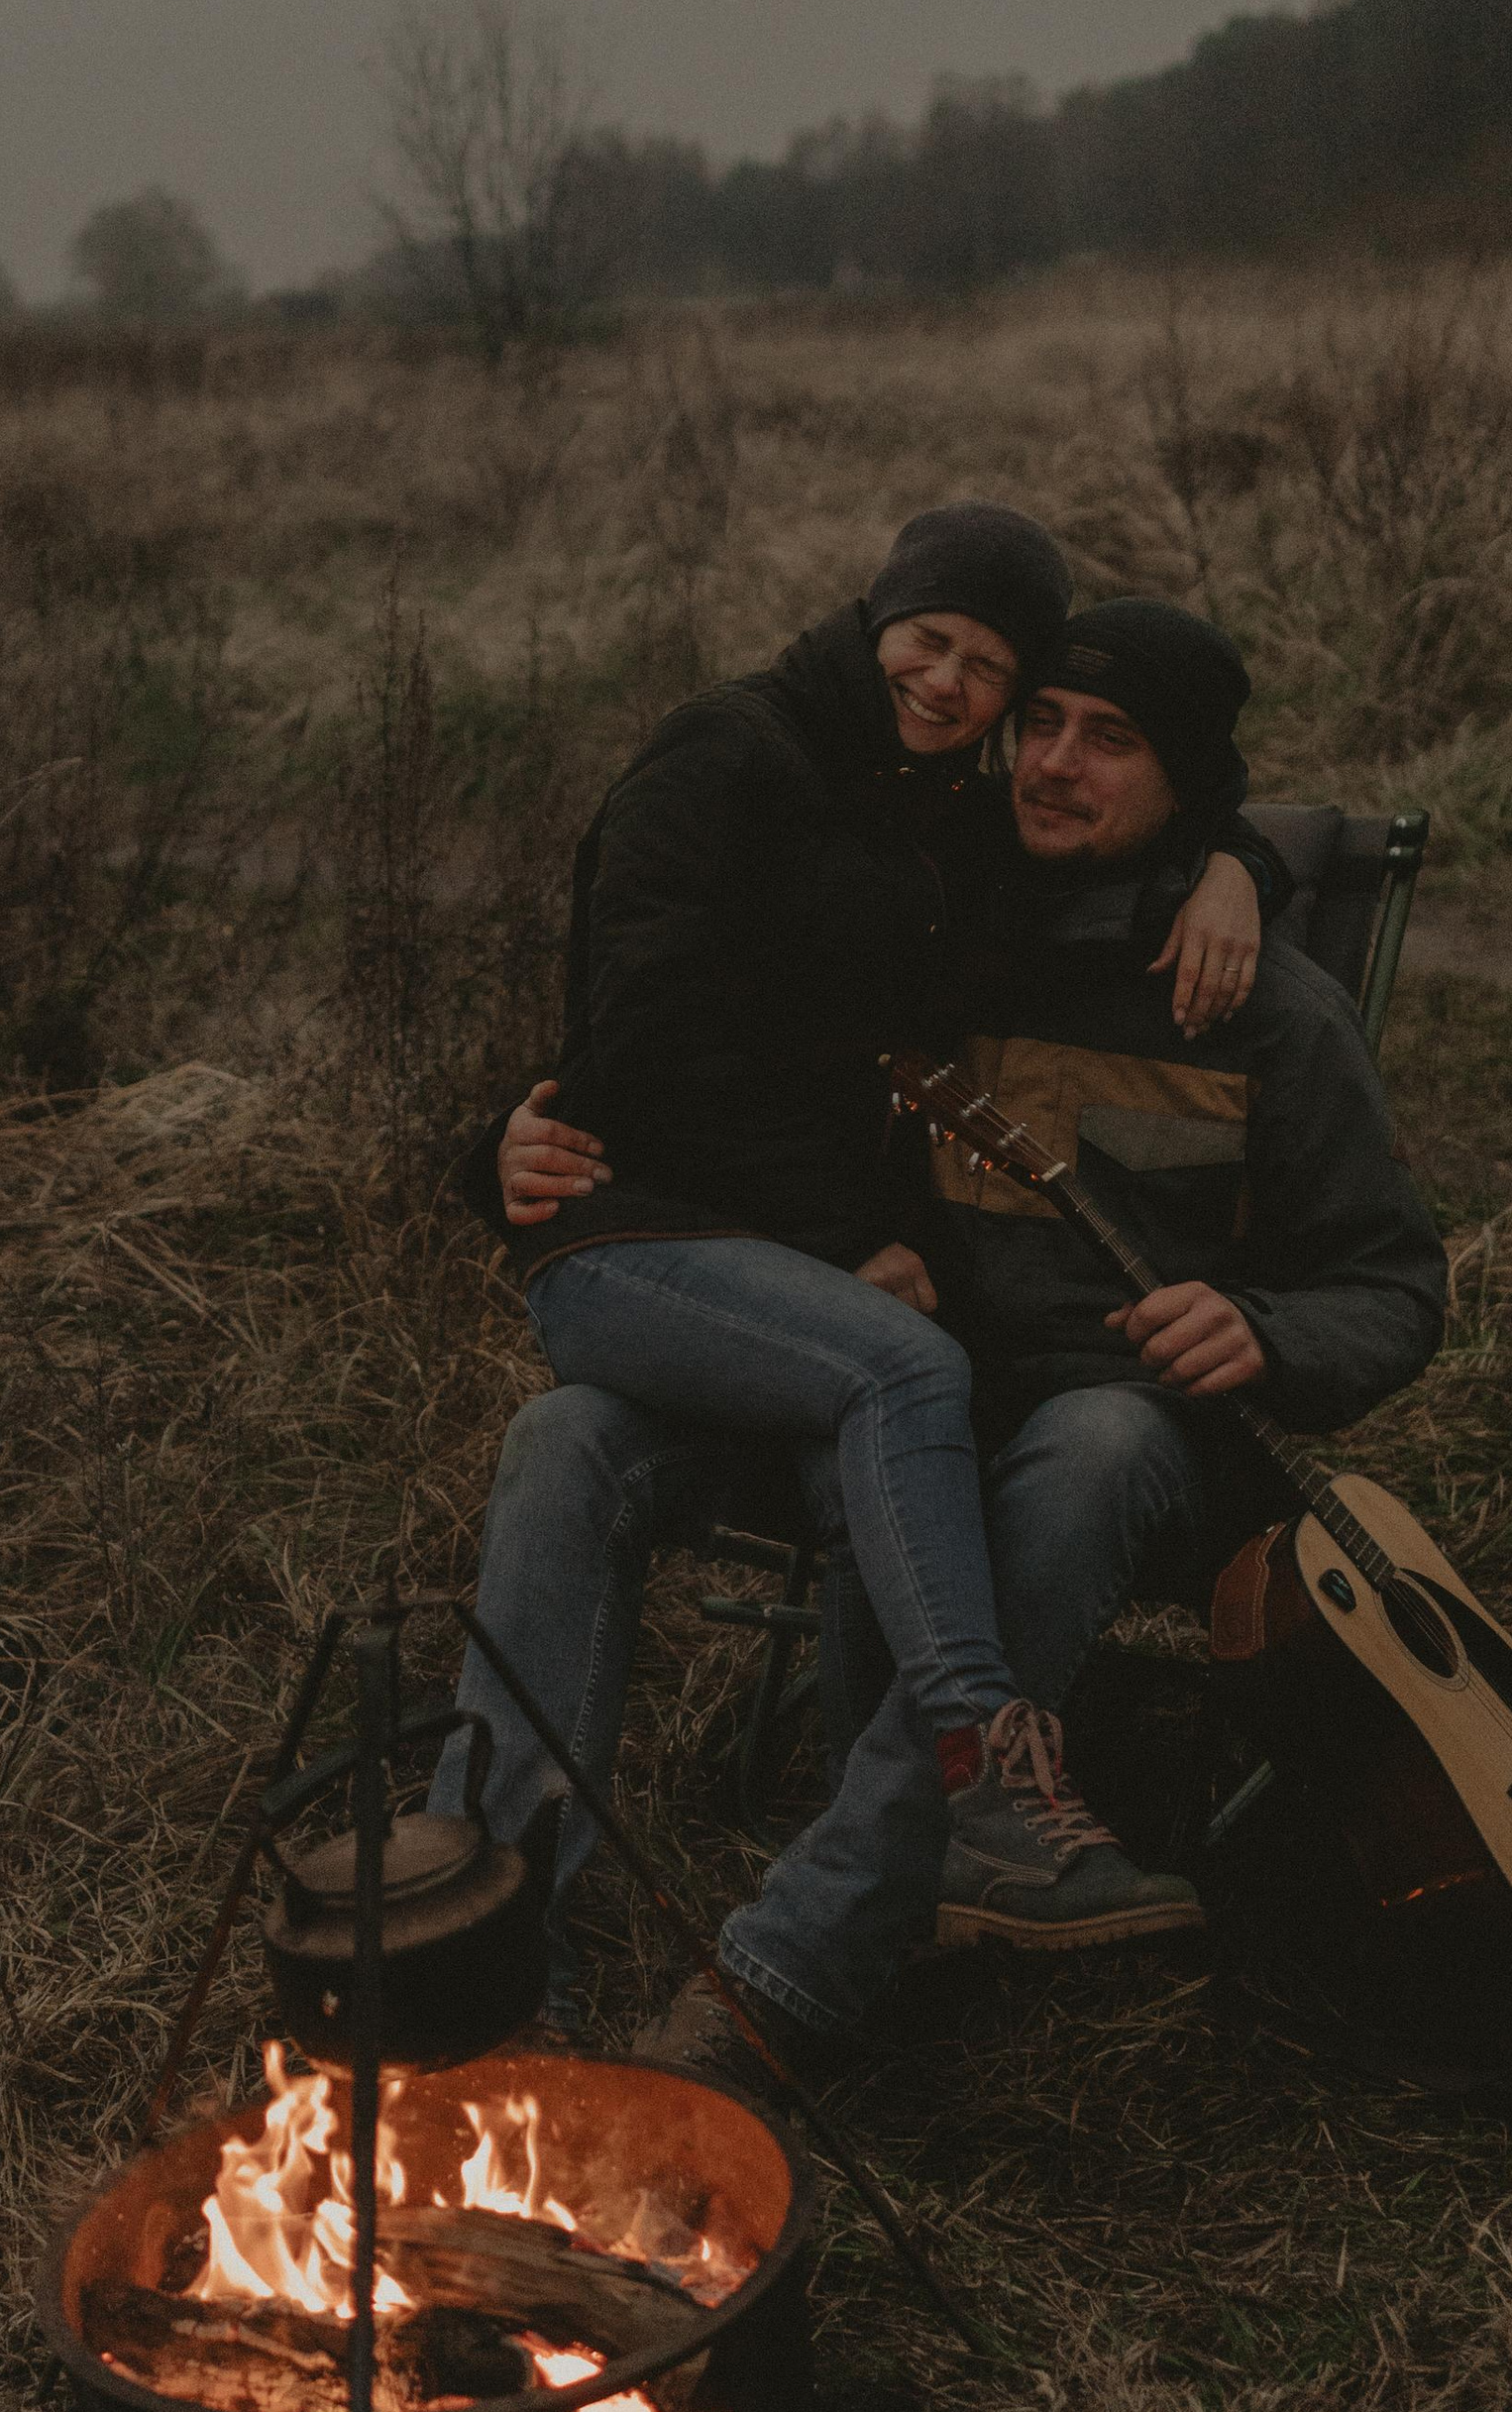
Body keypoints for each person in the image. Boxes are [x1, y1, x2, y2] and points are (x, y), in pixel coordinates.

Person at [461, 597, 1449, 2075]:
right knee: (568, 1436)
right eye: (1036, 723)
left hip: (1116, 1431)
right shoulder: (921, 935)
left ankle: (786, 1980)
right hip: (857, 1393)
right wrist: (499, 1145)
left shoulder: (1261, 1011)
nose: (1053, 763)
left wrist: (1264, 1329)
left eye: (1109, 742)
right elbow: (686, 1042)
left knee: (1088, 1447)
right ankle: (476, 1959)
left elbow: (1393, 1284)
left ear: (1186, 781)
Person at [445, 508, 1280, 1890]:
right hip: (634, 1239)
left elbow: (1159, 775)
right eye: (930, 641)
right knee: (902, 1370)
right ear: (876, 617)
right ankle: (977, 1769)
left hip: (760, 1277)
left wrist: (1243, 858)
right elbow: (645, 1039)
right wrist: (837, 1242)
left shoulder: (930, 800)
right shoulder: (728, 753)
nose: (950, 683)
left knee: (578, 1438)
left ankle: (514, 1914)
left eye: (988, 671)